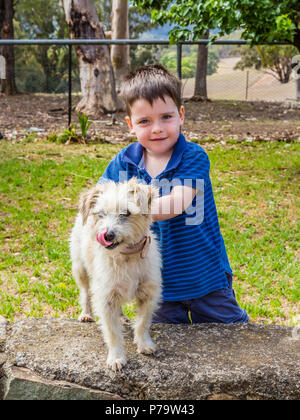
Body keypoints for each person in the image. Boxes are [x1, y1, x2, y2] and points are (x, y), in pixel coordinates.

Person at [97, 63, 249, 324]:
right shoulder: (123, 163)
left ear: (181, 115)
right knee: (165, 347)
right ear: (130, 125)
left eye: (166, 117)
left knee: (231, 336)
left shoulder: (192, 156)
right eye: (144, 121)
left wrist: (130, 213)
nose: (156, 128)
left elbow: (176, 203)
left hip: (205, 277)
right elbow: (101, 199)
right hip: (155, 281)